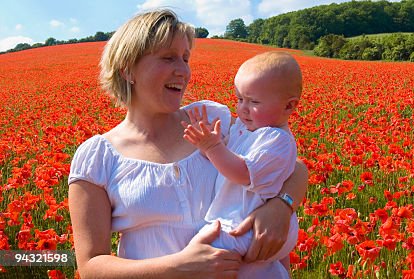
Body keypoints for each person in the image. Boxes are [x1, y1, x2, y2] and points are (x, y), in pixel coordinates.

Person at [67, 9, 307, 278]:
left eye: (185, 58)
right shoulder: (98, 157)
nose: (183, 71)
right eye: (168, 58)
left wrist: (281, 206)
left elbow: (289, 165)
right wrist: (181, 267)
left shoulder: (211, 120)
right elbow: (91, 266)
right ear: (127, 69)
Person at [181, 51, 303, 278]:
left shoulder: (276, 139)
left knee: (202, 256)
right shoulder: (246, 130)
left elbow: (242, 173)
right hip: (240, 223)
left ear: (289, 106)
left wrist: (212, 147)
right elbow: (224, 159)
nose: (243, 108)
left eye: (254, 102)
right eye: (240, 99)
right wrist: (208, 143)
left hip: (250, 227)